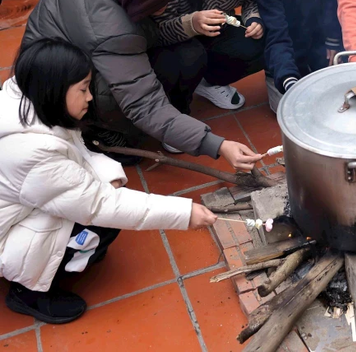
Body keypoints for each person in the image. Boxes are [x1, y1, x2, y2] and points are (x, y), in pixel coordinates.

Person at [0, 39, 217, 324]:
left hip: (20, 204)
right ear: (54, 89)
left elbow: (75, 153)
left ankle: (66, 255)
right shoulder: (33, 152)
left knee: (102, 197)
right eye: (83, 89)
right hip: (7, 233)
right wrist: (184, 213)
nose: (90, 97)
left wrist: (110, 177)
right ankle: (28, 292)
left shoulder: (26, 98)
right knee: (102, 220)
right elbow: (99, 205)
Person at [20, 0, 262, 172]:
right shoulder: (113, 33)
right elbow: (145, 106)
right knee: (105, 94)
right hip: (51, 73)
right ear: (134, 1)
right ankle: (98, 128)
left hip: (78, 38)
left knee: (187, 55)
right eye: (159, 4)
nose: (167, 6)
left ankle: (172, 122)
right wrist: (217, 145)